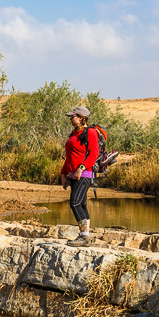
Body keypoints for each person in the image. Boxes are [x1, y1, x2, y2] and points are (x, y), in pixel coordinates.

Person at [60, 105, 99, 245]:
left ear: (81, 118)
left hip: (85, 174)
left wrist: (80, 168)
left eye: (73, 116)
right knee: (81, 204)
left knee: (75, 203)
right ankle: (86, 235)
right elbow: (69, 157)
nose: (71, 119)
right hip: (74, 174)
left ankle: (84, 236)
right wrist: (64, 174)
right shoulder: (73, 134)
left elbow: (94, 154)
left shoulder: (90, 132)